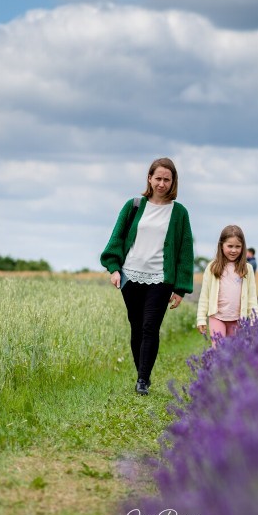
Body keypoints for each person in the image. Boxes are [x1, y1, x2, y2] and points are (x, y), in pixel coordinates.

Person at [101, 158, 194, 395]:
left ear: (173, 182)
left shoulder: (179, 212)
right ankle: (141, 372)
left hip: (161, 279)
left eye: (167, 179)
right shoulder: (133, 205)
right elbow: (117, 238)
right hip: (130, 277)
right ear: (149, 179)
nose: (161, 183)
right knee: (136, 327)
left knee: (150, 327)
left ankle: (143, 379)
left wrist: (180, 288)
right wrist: (114, 269)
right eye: (158, 178)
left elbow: (185, 250)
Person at [196, 225, 258, 347]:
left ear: (243, 247)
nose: (234, 250)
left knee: (233, 353)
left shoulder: (247, 269)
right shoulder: (212, 267)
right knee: (218, 351)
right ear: (221, 245)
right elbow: (204, 296)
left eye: (238, 247)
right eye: (230, 246)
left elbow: (252, 297)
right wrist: (201, 319)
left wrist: (254, 320)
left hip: (238, 320)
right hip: (217, 317)